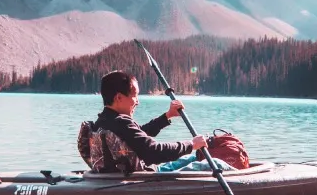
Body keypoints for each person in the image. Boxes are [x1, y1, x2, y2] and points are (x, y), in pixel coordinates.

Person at [82, 70, 234, 174]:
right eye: (135, 96)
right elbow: (153, 152)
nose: (137, 102)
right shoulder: (121, 122)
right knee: (217, 164)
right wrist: (191, 144)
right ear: (119, 98)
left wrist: (167, 116)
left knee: (195, 157)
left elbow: (137, 136)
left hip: (136, 174)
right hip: (146, 179)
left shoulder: (104, 121)